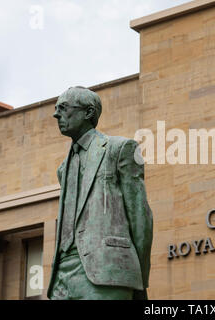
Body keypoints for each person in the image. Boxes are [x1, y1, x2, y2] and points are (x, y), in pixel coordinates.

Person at [47, 86, 153, 300]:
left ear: (88, 112)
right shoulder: (63, 169)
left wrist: (138, 279)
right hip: (62, 279)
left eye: (64, 108)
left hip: (106, 273)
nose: (56, 114)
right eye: (56, 108)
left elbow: (140, 216)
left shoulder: (121, 148)